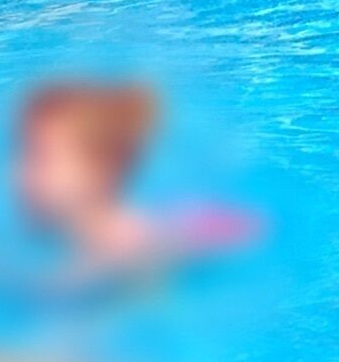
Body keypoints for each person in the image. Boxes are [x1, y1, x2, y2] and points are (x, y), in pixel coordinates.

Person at [15, 83, 256, 289]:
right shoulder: (72, 236)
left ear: (99, 171)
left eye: (40, 158)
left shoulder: (118, 250)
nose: (19, 173)